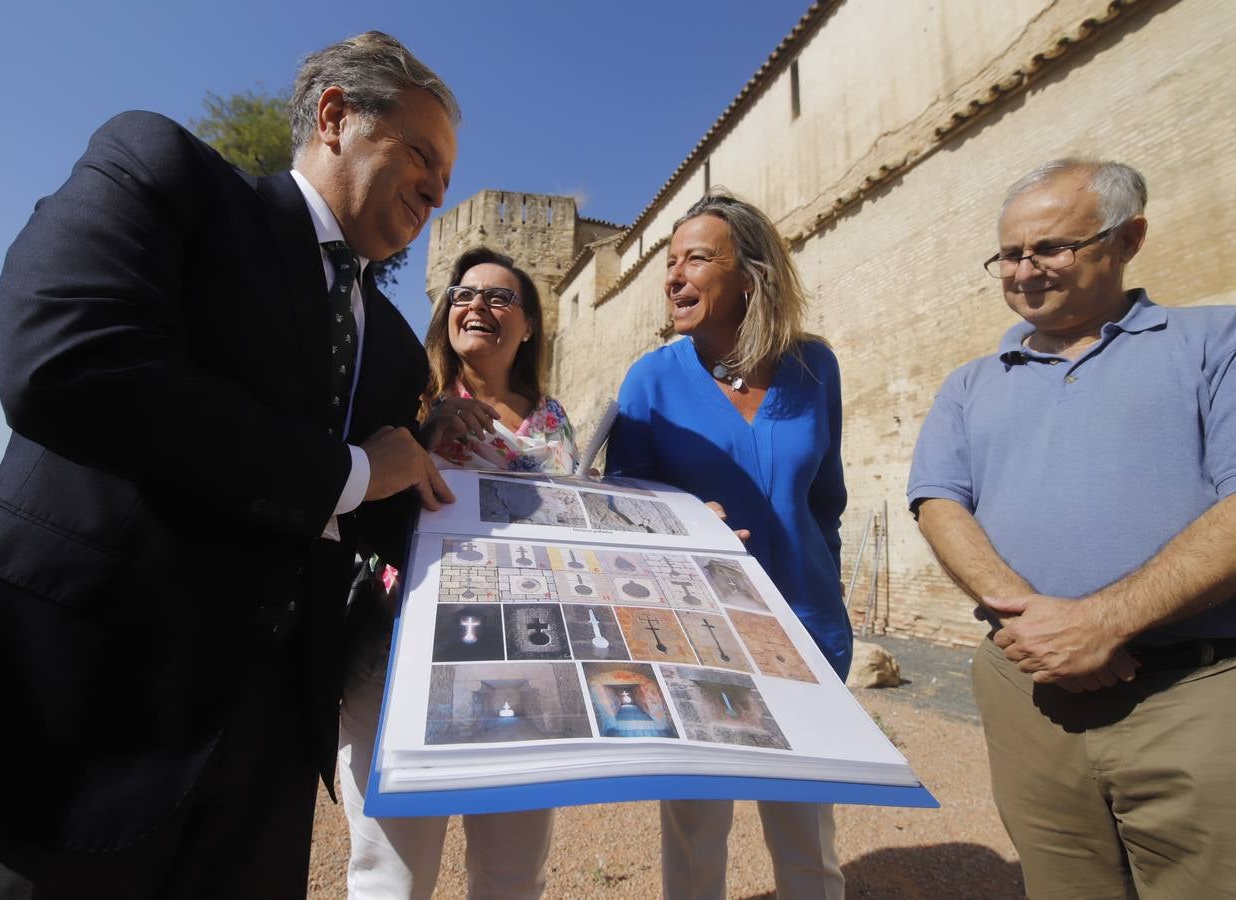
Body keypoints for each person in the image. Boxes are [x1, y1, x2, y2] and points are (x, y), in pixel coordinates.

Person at [0, 31, 459, 899]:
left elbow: (381, 512)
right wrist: (344, 472)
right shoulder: (167, 172)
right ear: (338, 116)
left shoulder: (392, 352)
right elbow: (64, 363)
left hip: (257, 761)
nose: (435, 188)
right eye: (422, 154)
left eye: (447, 178)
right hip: (66, 711)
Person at [908, 158, 1236, 897]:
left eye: (1051, 248)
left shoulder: (1216, 343)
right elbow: (938, 503)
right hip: (1029, 692)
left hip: (1192, 691)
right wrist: (1039, 627)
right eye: (1010, 255)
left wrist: (1102, 622)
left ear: (1128, 239)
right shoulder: (970, 382)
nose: (1025, 270)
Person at [607, 193, 848, 900]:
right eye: (670, 262)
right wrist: (684, 520)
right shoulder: (649, 381)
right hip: (694, 640)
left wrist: (825, 600)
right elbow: (622, 512)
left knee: (809, 841)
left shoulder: (815, 369)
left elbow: (826, 499)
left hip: (805, 633)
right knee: (695, 837)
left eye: (697, 259)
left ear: (750, 275)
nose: (674, 276)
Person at [336, 247, 575, 899]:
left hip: (522, 667)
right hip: (400, 663)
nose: (479, 305)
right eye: (465, 293)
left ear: (527, 327)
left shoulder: (555, 422)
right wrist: (423, 432)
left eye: (501, 298)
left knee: (513, 876)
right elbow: (352, 498)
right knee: (392, 875)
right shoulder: (400, 397)